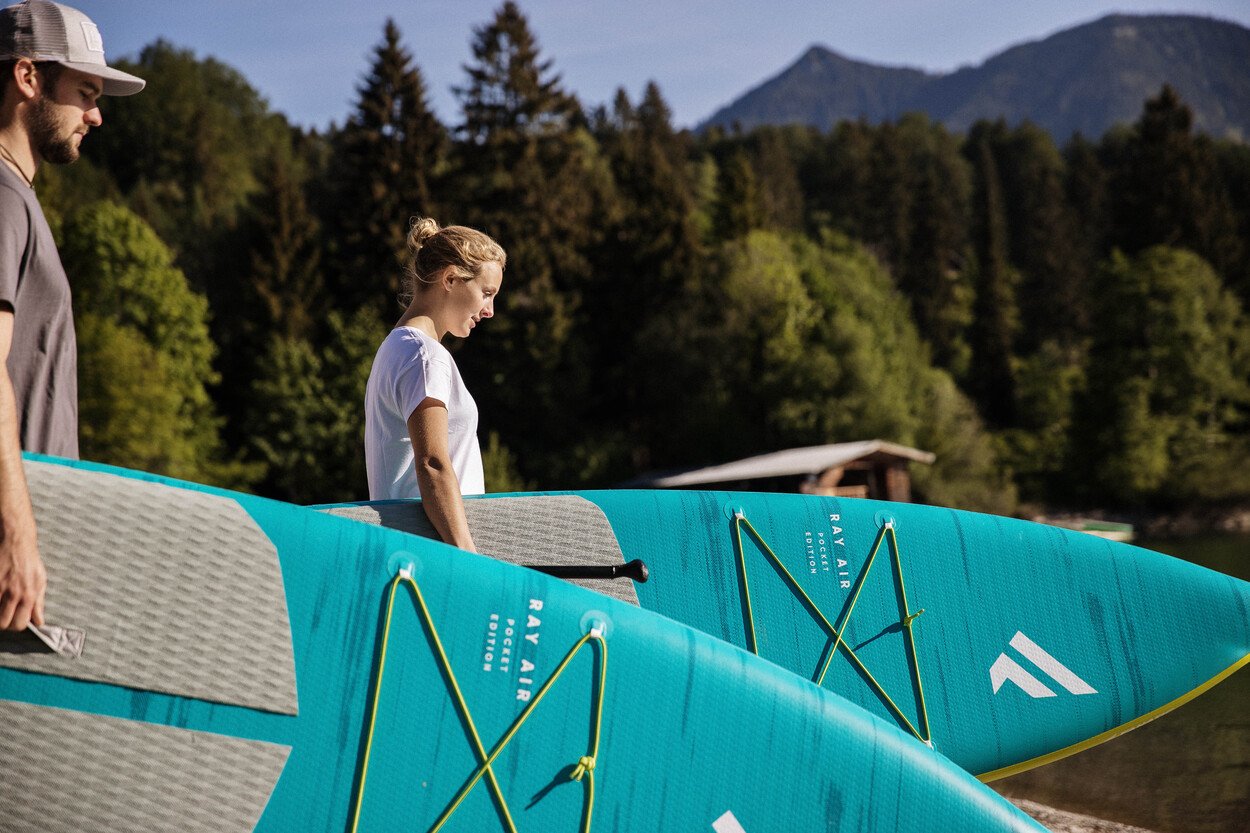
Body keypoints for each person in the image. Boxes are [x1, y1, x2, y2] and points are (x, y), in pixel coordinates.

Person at [0, 0, 145, 632]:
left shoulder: (16, 199)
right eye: (85, 93)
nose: (96, 115)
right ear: (28, 77)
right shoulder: (3, 198)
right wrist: (16, 534)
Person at [364, 218, 505, 552]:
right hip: (434, 553)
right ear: (451, 279)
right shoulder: (424, 356)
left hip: (408, 548)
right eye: (486, 293)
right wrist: (467, 556)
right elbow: (432, 463)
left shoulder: (396, 348)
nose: (489, 311)